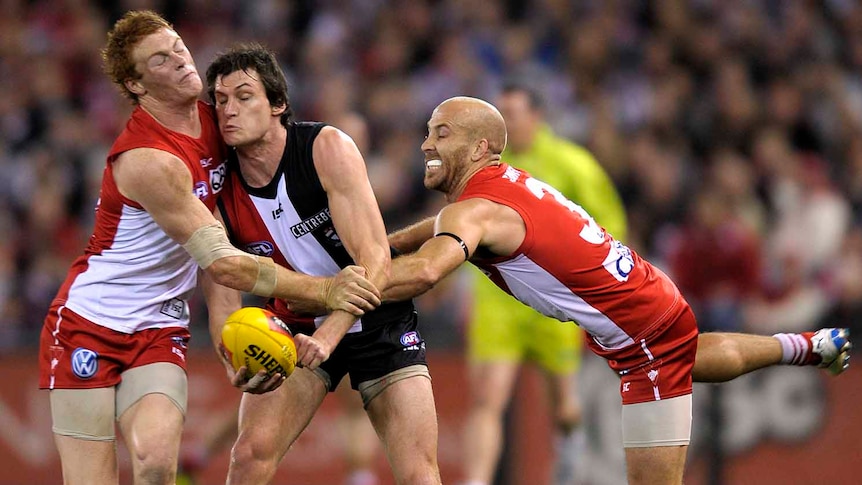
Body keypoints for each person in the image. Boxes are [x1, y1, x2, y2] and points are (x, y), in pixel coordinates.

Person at [381, 96, 851, 485]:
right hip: (648, 296)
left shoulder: (476, 211)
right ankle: (805, 346)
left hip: (639, 333)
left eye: (441, 132)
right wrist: (391, 241)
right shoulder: (503, 185)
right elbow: (453, 224)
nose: (426, 144)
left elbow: (425, 273)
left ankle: (805, 346)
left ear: (480, 146)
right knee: (689, 356)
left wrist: (337, 286)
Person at [36, 11, 380, 485]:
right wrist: (328, 290)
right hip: (87, 323)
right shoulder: (147, 159)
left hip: (159, 325)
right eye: (160, 59)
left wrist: (227, 345)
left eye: (177, 45)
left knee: (157, 464)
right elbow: (222, 260)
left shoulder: (219, 122)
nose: (180, 59)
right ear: (136, 87)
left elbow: (221, 244)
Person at [200, 43, 440, 485]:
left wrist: (331, 334)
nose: (229, 110)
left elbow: (375, 259)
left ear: (278, 104)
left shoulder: (325, 147)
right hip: (293, 330)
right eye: (220, 100)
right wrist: (227, 349)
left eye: (244, 96)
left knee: (418, 474)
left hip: (378, 318)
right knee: (248, 456)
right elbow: (220, 275)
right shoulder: (217, 185)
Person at [460, 82, 627, 485]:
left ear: (536, 116)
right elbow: (465, 229)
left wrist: (595, 295)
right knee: (487, 400)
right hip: (498, 303)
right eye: (498, 116)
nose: (503, 124)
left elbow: (610, 226)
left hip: (554, 302)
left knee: (564, 406)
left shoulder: (573, 163)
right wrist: (466, 289)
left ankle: (569, 449)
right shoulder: (483, 168)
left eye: (511, 115)